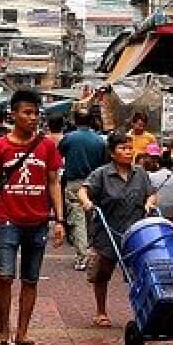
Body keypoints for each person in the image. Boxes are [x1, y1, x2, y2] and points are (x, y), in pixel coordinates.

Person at [0, 89, 65, 345]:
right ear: (13, 114)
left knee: (30, 279)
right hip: (7, 221)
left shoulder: (47, 146)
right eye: (27, 113)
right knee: (4, 276)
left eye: (36, 113)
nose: (32, 118)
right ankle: (2, 332)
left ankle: (23, 333)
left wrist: (59, 220)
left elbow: (54, 182)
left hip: (38, 222)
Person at [79, 132, 156, 328]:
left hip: (135, 231)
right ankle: (101, 311)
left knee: (140, 271)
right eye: (123, 148)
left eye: (130, 148)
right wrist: (87, 202)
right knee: (103, 272)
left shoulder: (140, 173)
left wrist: (149, 203)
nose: (128, 152)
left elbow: (152, 193)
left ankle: (145, 309)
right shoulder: (102, 174)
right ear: (112, 153)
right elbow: (83, 190)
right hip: (108, 230)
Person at [59, 108, 108, 271]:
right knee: (92, 219)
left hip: (75, 183)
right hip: (95, 183)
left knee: (77, 219)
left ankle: (82, 256)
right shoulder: (100, 140)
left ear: (75, 120)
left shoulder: (69, 138)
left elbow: (60, 154)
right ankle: (93, 252)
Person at [142, 143, 173, 221]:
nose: (153, 161)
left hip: (158, 214)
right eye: (151, 157)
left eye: (156, 158)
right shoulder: (143, 174)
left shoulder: (149, 175)